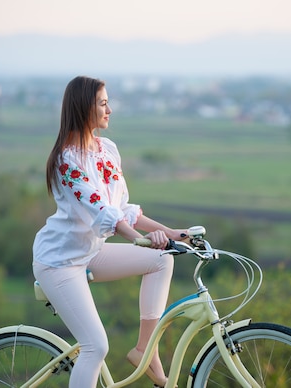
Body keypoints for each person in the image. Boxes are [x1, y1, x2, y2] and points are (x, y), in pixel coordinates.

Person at [32, 75, 186, 388]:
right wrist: (139, 239)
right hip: (60, 261)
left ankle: (145, 349)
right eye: (103, 103)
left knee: (162, 260)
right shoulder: (67, 160)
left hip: (91, 252)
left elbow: (122, 208)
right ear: (83, 107)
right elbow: (102, 212)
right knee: (96, 346)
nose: (110, 110)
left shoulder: (108, 150)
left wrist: (168, 232)